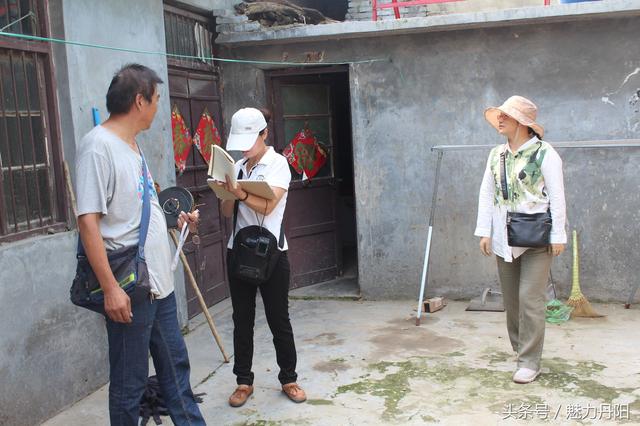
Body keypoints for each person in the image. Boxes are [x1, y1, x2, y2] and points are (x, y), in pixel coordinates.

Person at [75, 64, 205, 425]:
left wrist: (174, 220)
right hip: (130, 290)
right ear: (139, 101)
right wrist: (110, 289)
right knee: (129, 386)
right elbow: (88, 222)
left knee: (176, 373)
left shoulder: (132, 146)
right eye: (157, 99)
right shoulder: (98, 147)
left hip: (158, 287)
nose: (158, 106)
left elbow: (137, 211)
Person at [214, 107, 306, 407]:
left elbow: (268, 207)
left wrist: (239, 193)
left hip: (272, 254)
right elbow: (228, 211)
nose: (244, 146)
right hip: (239, 251)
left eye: (250, 139)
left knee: (279, 319)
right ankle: (243, 381)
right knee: (242, 320)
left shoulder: (278, 164)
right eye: (241, 140)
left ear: (264, 134)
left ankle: (289, 379)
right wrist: (225, 191)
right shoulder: (237, 166)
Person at [474, 95, 567, 384]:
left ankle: (530, 360)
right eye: (499, 115)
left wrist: (558, 234)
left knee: (530, 299)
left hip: (537, 238)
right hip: (504, 238)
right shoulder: (496, 155)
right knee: (512, 302)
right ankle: (520, 351)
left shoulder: (545, 154)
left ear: (523, 123)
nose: (500, 120)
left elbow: (558, 197)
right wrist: (484, 231)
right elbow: (486, 194)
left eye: (507, 116)